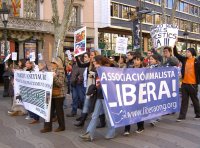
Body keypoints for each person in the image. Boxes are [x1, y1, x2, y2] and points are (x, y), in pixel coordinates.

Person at [79, 55, 115, 141]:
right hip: (99, 95)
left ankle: (111, 132)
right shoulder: (96, 70)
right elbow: (97, 83)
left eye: (95, 61)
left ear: (100, 62)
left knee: (108, 116)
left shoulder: (108, 70)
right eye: (94, 61)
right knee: (94, 115)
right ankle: (89, 134)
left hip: (107, 96)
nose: (93, 63)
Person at [173, 46, 200, 122]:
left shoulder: (197, 61)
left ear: (192, 53)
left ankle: (198, 114)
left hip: (193, 85)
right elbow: (176, 54)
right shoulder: (184, 60)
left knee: (195, 100)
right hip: (184, 84)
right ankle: (182, 116)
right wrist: (174, 46)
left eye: (188, 52)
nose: (186, 53)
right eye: (186, 51)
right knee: (184, 101)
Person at [40, 57, 66, 133]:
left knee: (59, 111)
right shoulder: (51, 70)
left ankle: (62, 126)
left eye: (53, 63)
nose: (52, 64)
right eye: (52, 62)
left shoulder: (61, 71)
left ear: (57, 64)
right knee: (48, 111)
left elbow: (60, 84)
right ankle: (47, 127)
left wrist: (54, 77)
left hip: (58, 94)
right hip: (49, 93)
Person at [124, 54, 145, 136]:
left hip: (140, 94)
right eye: (135, 59)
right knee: (128, 110)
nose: (135, 61)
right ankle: (127, 129)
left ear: (141, 61)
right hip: (130, 93)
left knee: (138, 111)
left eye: (138, 60)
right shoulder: (129, 69)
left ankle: (140, 126)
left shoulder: (144, 70)